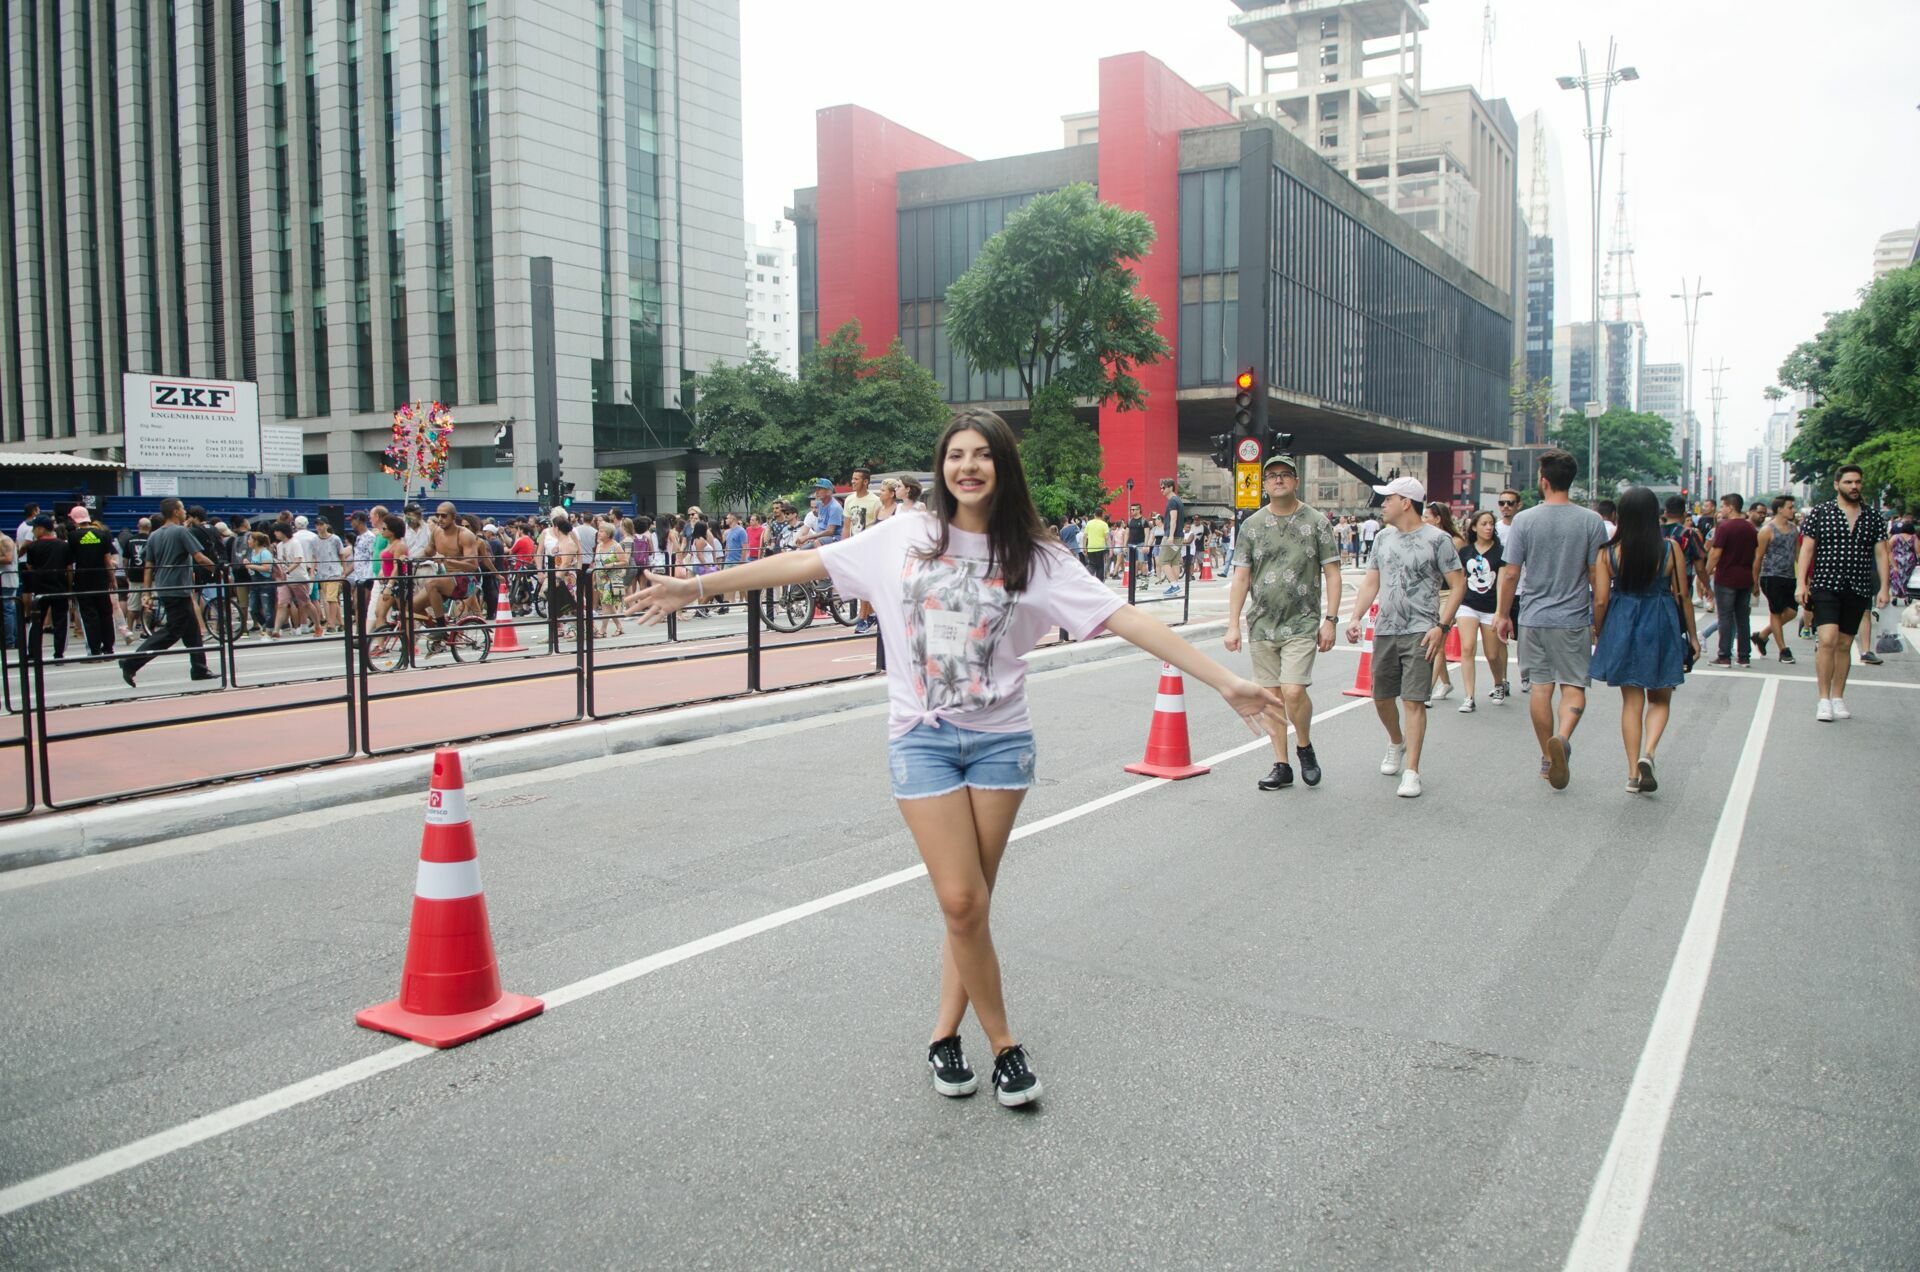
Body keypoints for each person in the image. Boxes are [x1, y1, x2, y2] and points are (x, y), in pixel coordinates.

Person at [628, 407, 1286, 1108]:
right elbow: (804, 562)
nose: (967, 466)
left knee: (968, 908)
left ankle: (944, 1035)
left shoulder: (1036, 557)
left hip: (1002, 743)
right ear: (942, 468)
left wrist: (1224, 679)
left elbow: (1128, 618)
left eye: (982, 455)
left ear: (1002, 467)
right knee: (962, 898)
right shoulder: (905, 535)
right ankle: (1005, 1046)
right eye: (955, 456)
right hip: (922, 739)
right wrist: (694, 587)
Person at [1495, 449, 1611, 791]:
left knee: (1541, 688)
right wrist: (1598, 619)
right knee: (1573, 687)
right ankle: (1562, 736)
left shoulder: (1524, 521)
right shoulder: (1591, 522)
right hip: (1572, 618)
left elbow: (1511, 574)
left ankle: (1548, 756)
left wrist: (1503, 614)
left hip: (1533, 617)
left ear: (1543, 481)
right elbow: (1596, 577)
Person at [1224, 453, 1342, 791]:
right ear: (1264, 484)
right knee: (1272, 698)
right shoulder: (1251, 526)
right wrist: (1233, 624)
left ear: (1296, 480)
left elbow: (1332, 573)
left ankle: (1303, 745)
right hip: (1262, 623)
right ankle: (1282, 764)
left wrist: (1331, 620)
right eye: (1272, 475)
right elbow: (1241, 577)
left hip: (1302, 621)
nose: (1278, 480)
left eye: (1285, 474)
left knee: (1293, 690)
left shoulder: (1317, 521)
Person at [1344, 478, 1464, 799]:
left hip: (1422, 631)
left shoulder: (1438, 540)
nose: (1383, 505)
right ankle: (1396, 741)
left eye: (1388, 499)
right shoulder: (1382, 538)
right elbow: (1371, 582)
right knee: (1381, 697)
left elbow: (1458, 584)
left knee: (1413, 700)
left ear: (1407, 502)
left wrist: (1442, 626)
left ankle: (1412, 771)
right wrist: (1355, 616)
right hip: (1385, 629)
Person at [1591, 486, 1698, 794]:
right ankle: (1648, 753)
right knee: (1661, 698)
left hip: (1623, 620)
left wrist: (1600, 631)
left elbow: (1600, 601)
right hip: (1661, 620)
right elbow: (1683, 595)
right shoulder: (1670, 548)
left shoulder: (1608, 552)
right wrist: (1692, 635)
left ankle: (1631, 774)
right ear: (1655, 514)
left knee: (1631, 701)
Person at [1795, 463, 1890, 722]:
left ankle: (1838, 696)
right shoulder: (1821, 513)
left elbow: (1882, 553)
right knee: (1827, 639)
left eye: (1858, 481)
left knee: (1846, 644)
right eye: (1849, 482)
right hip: (1826, 584)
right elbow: (1807, 549)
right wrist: (1801, 583)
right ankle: (1823, 698)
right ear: (1837, 485)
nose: (1855, 486)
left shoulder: (1873, 517)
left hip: (1858, 586)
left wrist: (1884, 587)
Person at [120, 499, 218, 687]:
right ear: (175, 512)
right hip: (178, 588)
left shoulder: (154, 535)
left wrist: (147, 592)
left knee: (192, 631)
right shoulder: (181, 531)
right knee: (172, 631)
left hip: (165, 587)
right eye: (182, 509)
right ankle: (131, 662)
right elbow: (198, 556)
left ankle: (199, 668)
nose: (185, 512)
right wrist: (216, 569)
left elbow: (149, 566)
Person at [1454, 510, 1508, 712]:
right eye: (1484, 524)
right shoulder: (1465, 552)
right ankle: (1469, 696)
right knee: (1467, 648)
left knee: (1492, 654)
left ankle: (1498, 683)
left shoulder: (1500, 552)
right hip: (1467, 604)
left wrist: (1500, 612)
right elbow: (1460, 581)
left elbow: (1502, 584)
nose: (1488, 527)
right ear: (1474, 527)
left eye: (1491, 524)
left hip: (1490, 607)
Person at [1704, 493, 1760, 667]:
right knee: (1743, 618)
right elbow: (1755, 555)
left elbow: (1715, 553)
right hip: (1745, 577)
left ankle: (1724, 655)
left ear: (1730, 507)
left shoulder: (1725, 527)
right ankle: (1744, 656)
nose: (1721, 510)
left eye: (1722, 506)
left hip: (1726, 576)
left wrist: (1705, 574)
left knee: (1725, 617)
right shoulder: (1750, 528)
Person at [1752, 496, 1800, 665]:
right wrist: (1755, 582)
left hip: (1789, 576)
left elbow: (1798, 554)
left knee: (1792, 612)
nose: (1792, 510)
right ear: (1780, 509)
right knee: (1776, 612)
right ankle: (1783, 650)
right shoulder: (1767, 530)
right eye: (1790, 507)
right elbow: (1758, 557)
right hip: (1771, 576)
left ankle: (1762, 635)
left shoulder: (1794, 529)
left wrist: (1804, 578)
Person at [66, 508, 119, 656]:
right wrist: (112, 579)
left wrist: (70, 585)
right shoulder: (103, 534)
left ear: (74, 520)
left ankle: (94, 651)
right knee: (106, 613)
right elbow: (108, 561)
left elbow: (70, 565)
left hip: (83, 580)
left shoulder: (72, 536)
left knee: (89, 616)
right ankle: (109, 648)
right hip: (101, 579)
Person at [19, 517, 73, 663]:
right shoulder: (64, 546)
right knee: (61, 622)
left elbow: (30, 566)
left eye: (34, 528)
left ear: (42, 529)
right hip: (60, 588)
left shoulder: (33, 547)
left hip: (40, 590)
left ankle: (33, 653)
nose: (33, 531)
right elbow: (69, 569)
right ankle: (59, 654)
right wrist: (69, 587)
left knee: (36, 622)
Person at [1421, 501, 1460, 701]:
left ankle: (1428, 689)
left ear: (1437, 519)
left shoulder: (1454, 541)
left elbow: (1459, 578)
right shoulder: (1425, 539)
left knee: (1438, 643)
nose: (1423, 520)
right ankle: (1446, 683)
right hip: (1432, 595)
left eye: (1427, 517)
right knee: (1439, 646)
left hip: (1448, 594)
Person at [793, 479, 844, 550]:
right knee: (801, 550)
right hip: (821, 539)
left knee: (816, 543)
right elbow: (818, 525)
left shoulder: (835, 507)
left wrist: (807, 537)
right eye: (816, 489)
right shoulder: (820, 504)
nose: (817, 492)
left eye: (820, 489)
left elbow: (830, 531)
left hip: (836, 538)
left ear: (829, 492)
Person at [1158, 477, 1185, 595]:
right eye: (1160, 488)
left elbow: (1173, 519)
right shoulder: (1178, 500)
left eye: (1163, 487)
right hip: (1179, 536)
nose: (1161, 490)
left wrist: (1170, 536)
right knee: (1174, 562)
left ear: (1170, 487)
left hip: (1172, 536)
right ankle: (1175, 585)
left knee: (1163, 560)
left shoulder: (1172, 501)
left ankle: (1174, 585)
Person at [1083, 508, 1109, 582]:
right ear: (1102, 515)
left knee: (1092, 565)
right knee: (1100, 567)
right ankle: (1099, 583)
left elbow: (1085, 537)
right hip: (1100, 549)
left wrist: (1084, 547)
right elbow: (1107, 538)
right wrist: (1110, 548)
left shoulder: (1089, 523)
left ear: (1094, 514)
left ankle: (1086, 576)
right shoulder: (1104, 524)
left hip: (1091, 548)